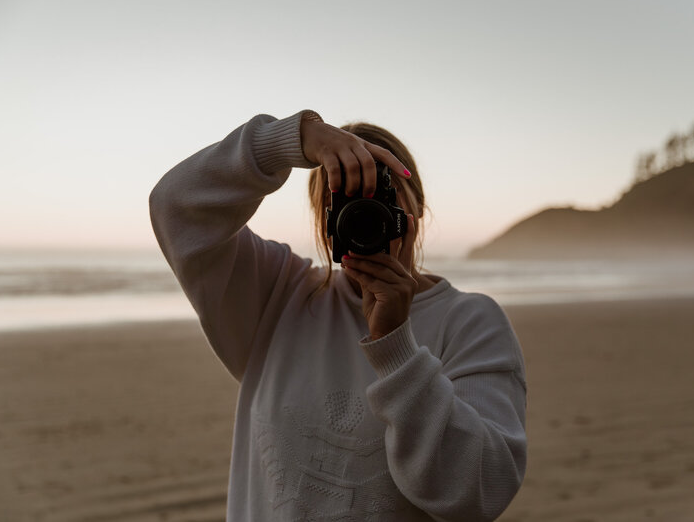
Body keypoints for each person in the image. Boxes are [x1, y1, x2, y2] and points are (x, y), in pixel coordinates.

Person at [149, 109, 527, 521]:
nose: (364, 212)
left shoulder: (470, 321)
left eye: (381, 194)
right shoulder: (276, 294)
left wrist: (397, 344)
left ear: (416, 207)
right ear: (324, 221)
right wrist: (290, 139)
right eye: (344, 199)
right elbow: (177, 206)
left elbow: (478, 493)